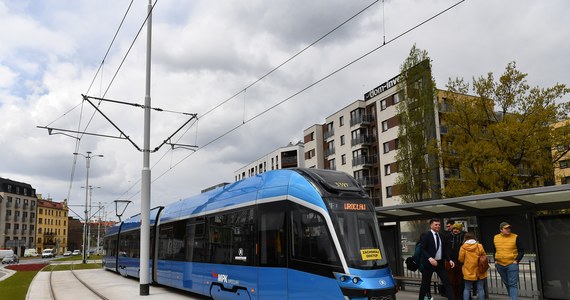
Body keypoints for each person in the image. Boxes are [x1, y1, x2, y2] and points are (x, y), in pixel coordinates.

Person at [418, 218, 456, 300]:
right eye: (436, 224)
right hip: (429, 264)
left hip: (439, 263)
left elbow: (444, 251)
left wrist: (449, 260)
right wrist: (430, 258)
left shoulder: (442, 236)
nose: (438, 226)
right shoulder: (426, 235)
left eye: (439, 225)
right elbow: (422, 249)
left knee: (447, 282)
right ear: (431, 225)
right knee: (425, 284)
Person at [493, 222, 524, 300]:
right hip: (499, 264)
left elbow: (521, 250)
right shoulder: (496, 237)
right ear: (501, 229)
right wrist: (495, 260)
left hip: (512, 264)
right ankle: (512, 297)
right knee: (507, 283)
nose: (508, 229)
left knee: (513, 284)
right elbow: (495, 249)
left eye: (509, 228)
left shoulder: (515, 237)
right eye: (506, 228)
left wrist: (516, 260)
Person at [459, 232, 487, 300]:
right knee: (480, 288)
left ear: (465, 238)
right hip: (480, 269)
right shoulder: (479, 246)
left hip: (468, 269)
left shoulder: (463, 247)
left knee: (467, 288)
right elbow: (484, 256)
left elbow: (461, 259)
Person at [446, 223, 465, 300]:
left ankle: (461, 297)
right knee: (452, 281)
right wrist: (449, 259)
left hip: (461, 262)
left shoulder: (464, 237)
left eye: (457, 229)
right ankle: (453, 297)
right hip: (451, 262)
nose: (455, 230)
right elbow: (446, 249)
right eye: (454, 229)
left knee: (461, 281)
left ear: (460, 229)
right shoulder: (448, 237)